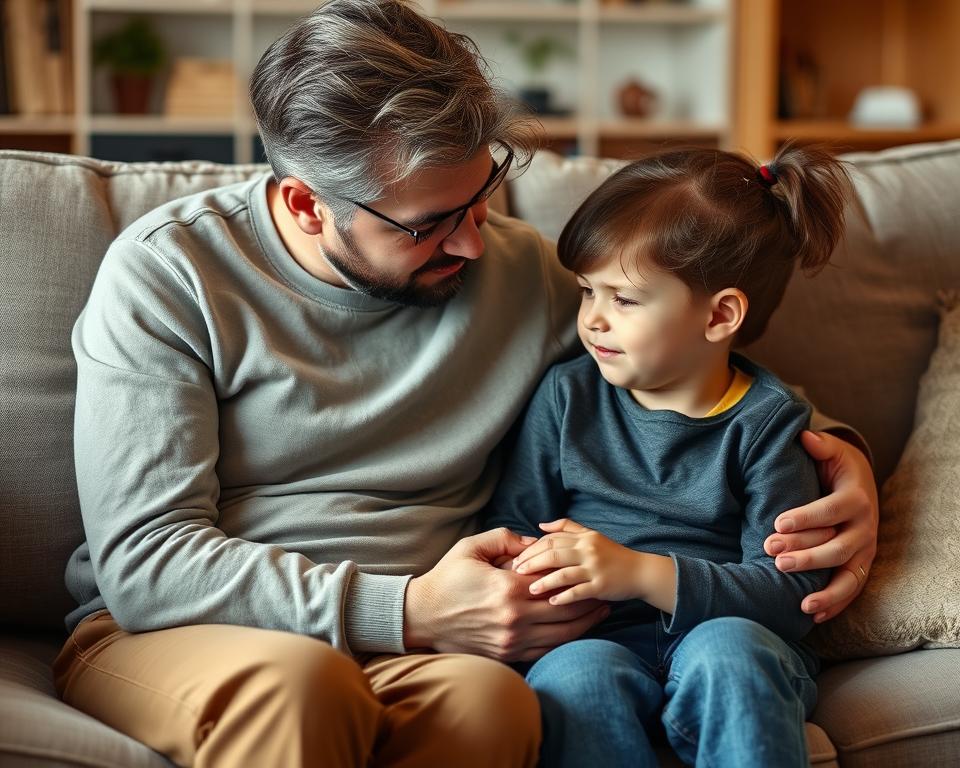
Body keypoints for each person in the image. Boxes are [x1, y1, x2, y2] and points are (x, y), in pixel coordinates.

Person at [53, 2, 877, 766]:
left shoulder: (521, 275)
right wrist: (407, 609)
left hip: (438, 652)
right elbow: (147, 562)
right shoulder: (171, 275)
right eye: (428, 224)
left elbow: (686, 370)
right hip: (192, 631)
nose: (475, 245)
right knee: (300, 685)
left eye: (480, 197)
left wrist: (840, 456)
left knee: (497, 708)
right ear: (307, 205)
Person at [485, 144, 857, 767]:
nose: (594, 321)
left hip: (732, 636)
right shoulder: (566, 396)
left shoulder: (768, 423)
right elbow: (513, 526)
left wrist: (638, 573)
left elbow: (791, 597)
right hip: (594, 635)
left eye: (624, 300)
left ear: (720, 315)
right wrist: (536, 572)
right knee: (576, 677)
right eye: (585, 293)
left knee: (729, 654)